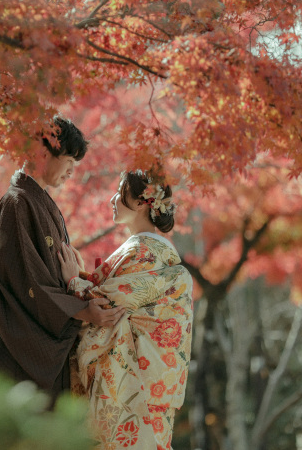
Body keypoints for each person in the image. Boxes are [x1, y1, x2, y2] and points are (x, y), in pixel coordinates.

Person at [0, 116, 126, 407]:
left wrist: (78, 283)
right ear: (44, 152)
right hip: (23, 347)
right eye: (69, 162)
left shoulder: (37, 201)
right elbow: (29, 283)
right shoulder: (17, 203)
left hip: (45, 337)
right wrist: (83, 310)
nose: (72, 172)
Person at [60, 170, 193, 449]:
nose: (112, 200)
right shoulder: (147, 249)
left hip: (136, 385)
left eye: (120, 193)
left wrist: (73, 281)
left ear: (143, 202)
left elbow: (107, 306)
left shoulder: (144, 250)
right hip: (151, 381)